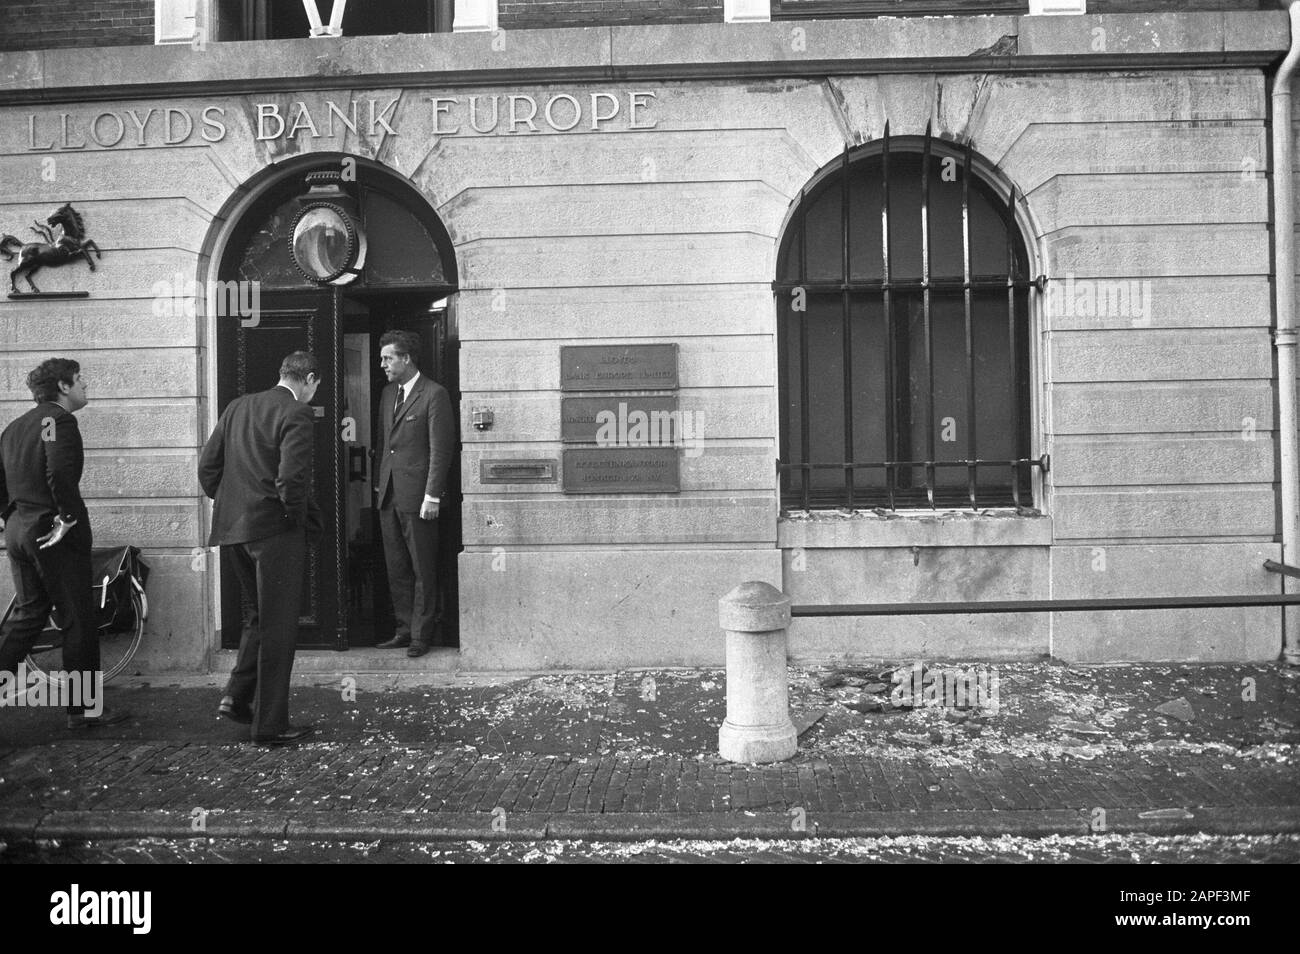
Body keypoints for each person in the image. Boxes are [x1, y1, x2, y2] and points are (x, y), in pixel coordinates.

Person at [199, 351, 321, 746]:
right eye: (315, 386)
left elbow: (208, 468)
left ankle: (236, 698)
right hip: (274, 533)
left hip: (234, 530)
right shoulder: (297, 413)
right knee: (279, 627)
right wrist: (293, 519)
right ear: (309, 379)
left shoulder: (237, 406)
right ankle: (270, 725)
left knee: (256, 617)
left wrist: (236, 504)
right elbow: (291, 480)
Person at [0, 358, 130, 728]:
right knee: (77, 619)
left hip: (20, 529)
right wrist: (66, 518)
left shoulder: (14, 427)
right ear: (62, 386)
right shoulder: (56, 421)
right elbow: (58, 471)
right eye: (79, 379)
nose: (85, 384)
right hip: (52, 533)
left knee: (27, 615)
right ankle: (83, 711)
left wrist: (10, 518)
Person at [374, 330, 455, 657]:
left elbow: (441, 450)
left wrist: (432, 496)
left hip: (420, 497)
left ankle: (422, 635)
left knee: (422, 567)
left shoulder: (434, 394)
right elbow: (385, 446)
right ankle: (404, 629)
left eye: (388, 358)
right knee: (397, 567)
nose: (383, 365)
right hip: (389, 496)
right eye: (382, 359)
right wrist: (380, 486)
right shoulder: (386, 394)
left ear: (406, 358)